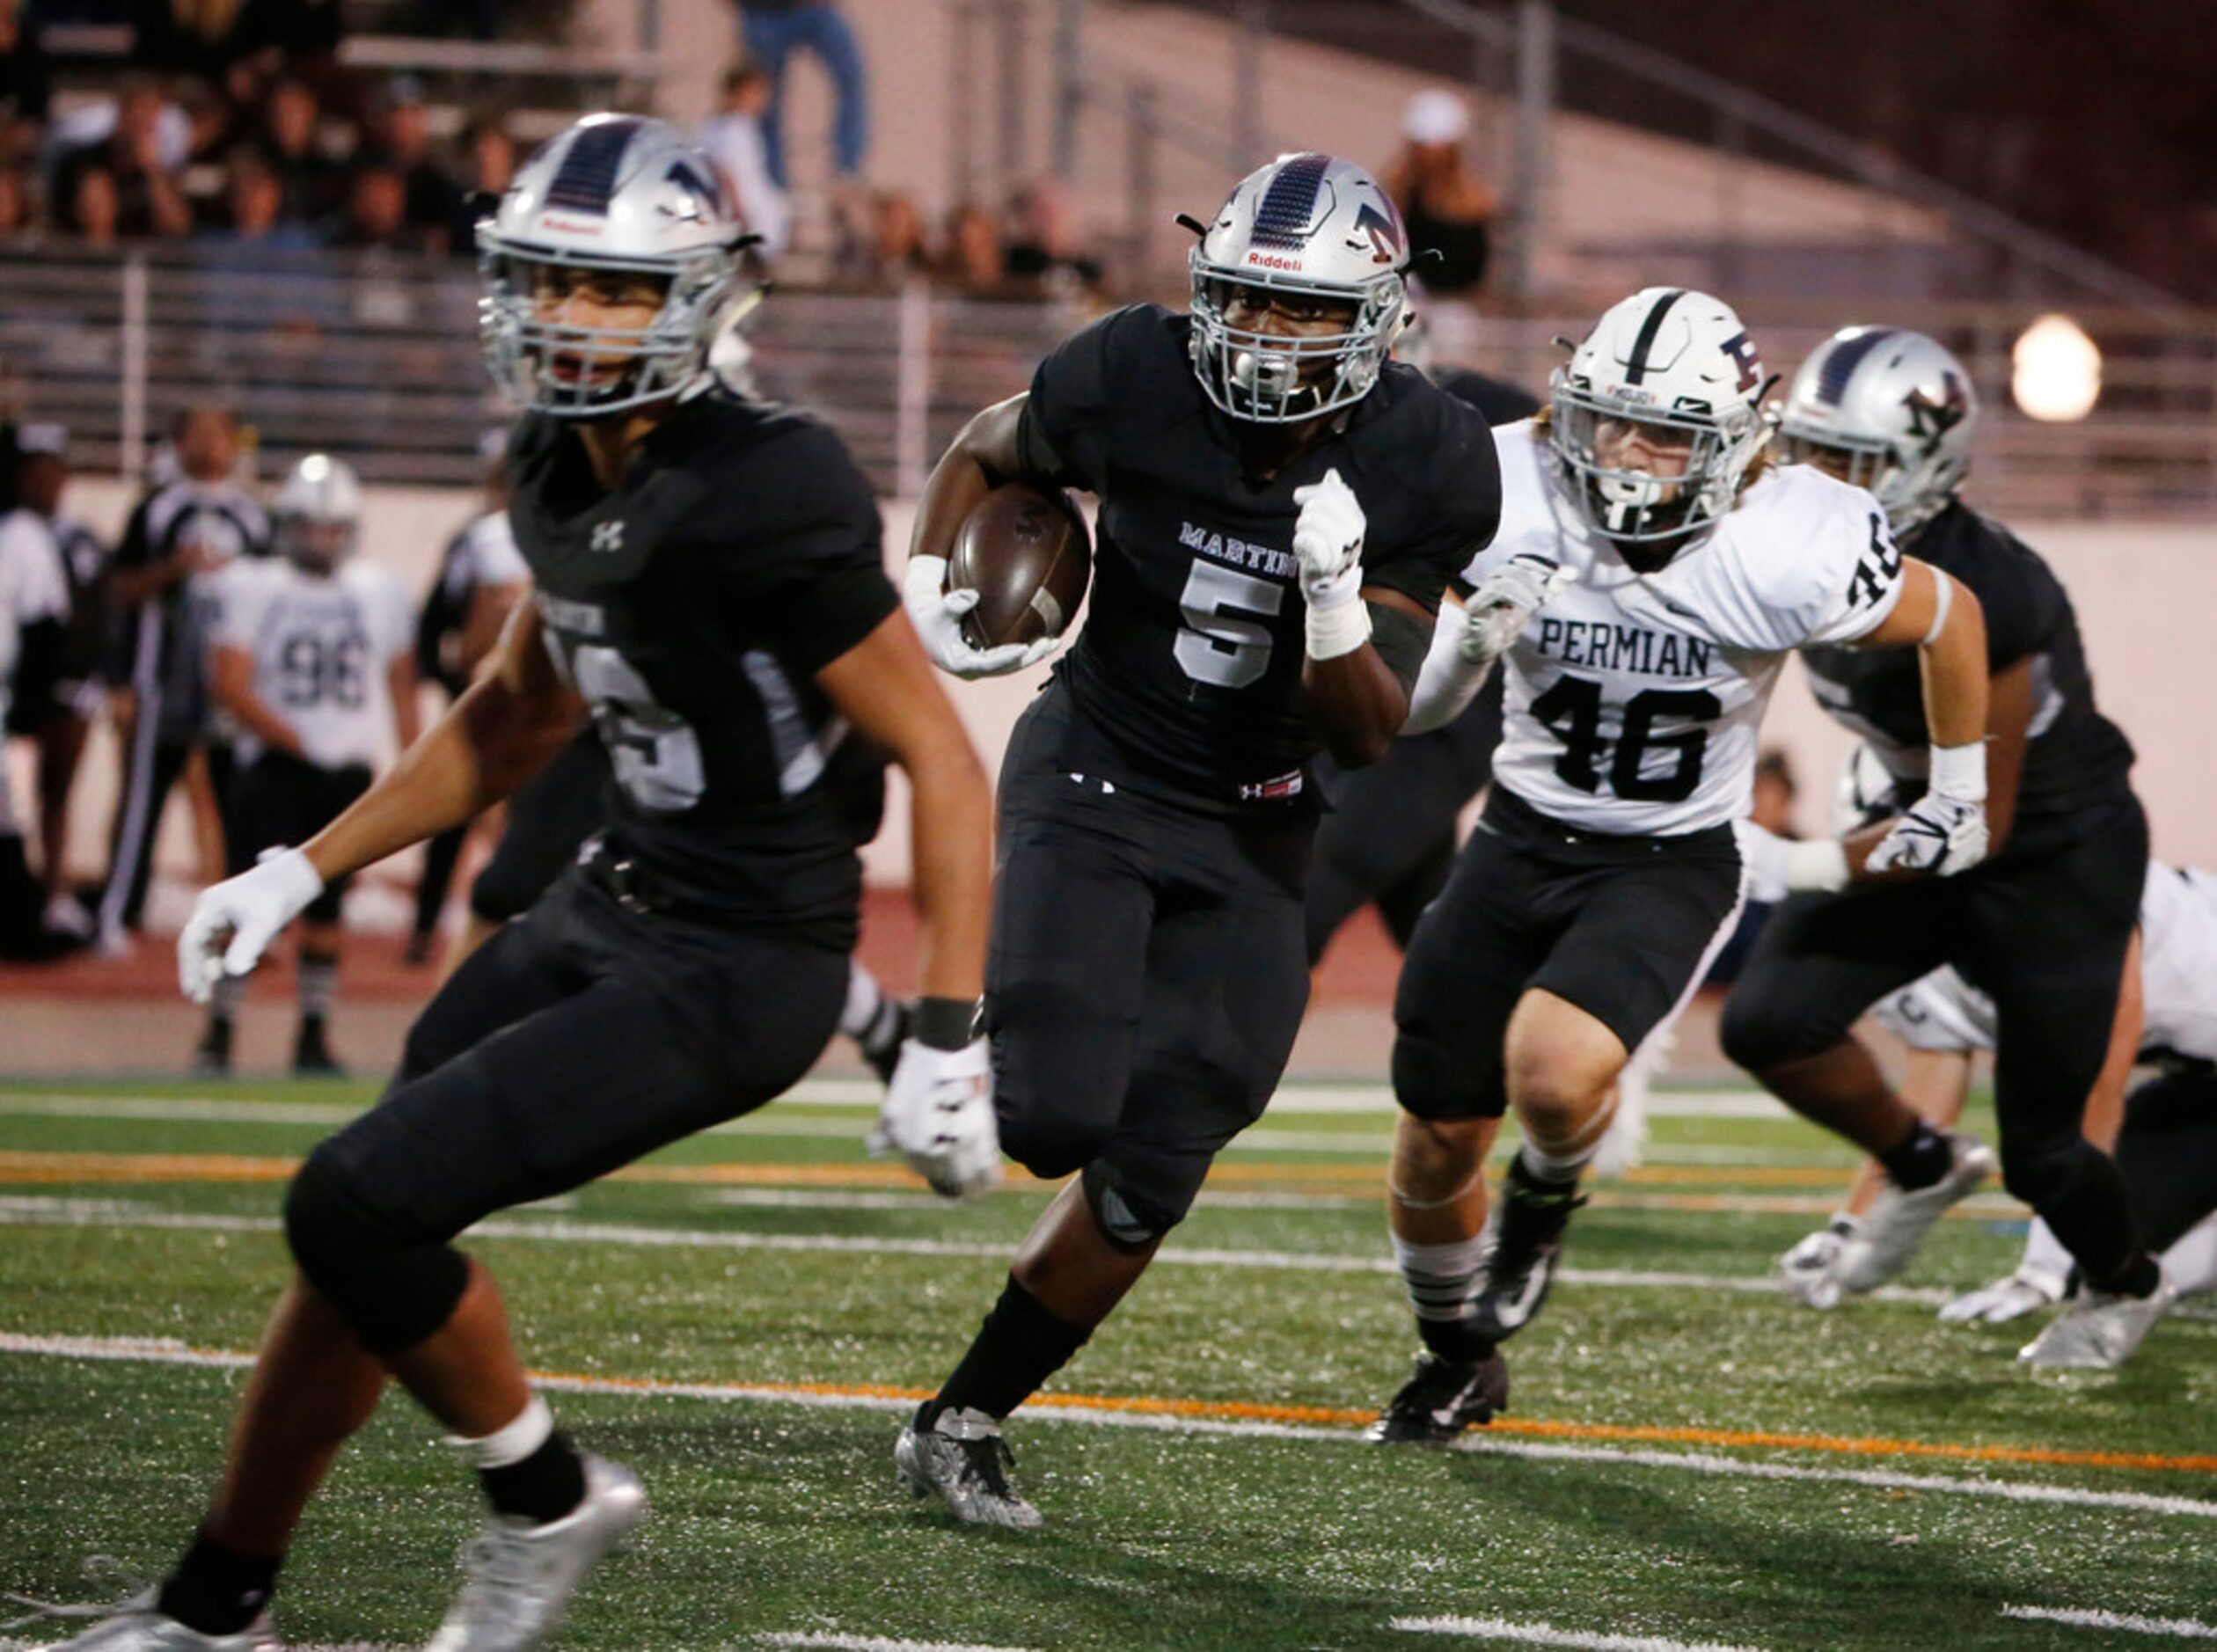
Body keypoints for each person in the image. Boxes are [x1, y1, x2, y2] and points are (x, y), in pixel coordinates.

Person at [38, 113, 997, 1651]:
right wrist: (300, 864)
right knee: (364, 1231)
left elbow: (945, 763)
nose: (569, 317)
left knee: (347, 1201)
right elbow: (515, 712)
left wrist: (945, 1029)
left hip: (743, 960)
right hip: (608, 897)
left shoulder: (772, 478)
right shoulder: (549, 455)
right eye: (548, 280)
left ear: (698, 297)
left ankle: (549, 1497)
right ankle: (218, 1607)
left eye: (612, 291)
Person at [893, 152, 1499, 1527]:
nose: (1265, 341)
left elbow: (1363, 733)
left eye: (1303, 317)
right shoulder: (1134, 370)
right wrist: (932, 578)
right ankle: (929, 1030)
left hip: (1261, 817)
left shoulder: (1430, 455)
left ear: (1382, 319)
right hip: (1100, 767)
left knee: (1161, 1154)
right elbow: (994, 442)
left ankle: (963, 1416)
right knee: (1052, 1119)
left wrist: (1338, 598)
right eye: (1242, 303)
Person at [1368, 289, 1994, 1444]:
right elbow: (1415, 716)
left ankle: (1547, 1191)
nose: (1633, 454)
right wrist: (1467, 639)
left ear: (1740, 443)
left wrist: (1958, 790)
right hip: (1517, 833)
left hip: (1666, 854)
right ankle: (1458, 1354)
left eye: (1670, 433)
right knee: (1431, 1135)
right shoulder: (1508, 485)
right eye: (1613, 421)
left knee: (1554, 1075)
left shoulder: (1792, 534)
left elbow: (1949, 614)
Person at [1724, 326, 2164, 1369]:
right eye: (1811, 451)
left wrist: (1809, 862)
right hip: (1921, 819)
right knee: (1769, 1021)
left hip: (2049, 860)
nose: (1821, 481)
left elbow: (1981, 824)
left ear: (1926, 463)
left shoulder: (1991, 588)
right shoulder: (1793, 534)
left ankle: (2124, 1285)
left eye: (1853, 462)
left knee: (2045, 1155)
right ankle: (1920, 1162)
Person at [1780, 833, 2217, 1342]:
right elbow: (1921, 1114)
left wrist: (2040, 1270)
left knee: (2093, 1256)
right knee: (2101, 1254)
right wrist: (1847, 1229)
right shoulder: (1933, 936)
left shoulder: (2079, 895)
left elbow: (2097, 1086)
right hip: (2198, 1090)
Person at [1303, 319, 1539, 968]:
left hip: (1443, 699)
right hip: (1354, 686)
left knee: (1299, 894)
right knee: (1437, 935)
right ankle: (1508, 1043)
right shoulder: (1298, 422)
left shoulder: (1491, 422)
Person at [195, 454, 419, 1076]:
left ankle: (313, 1034)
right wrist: (298, 741)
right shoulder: (251, 583)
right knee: (241, 904)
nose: (320, 539)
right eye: (308, 526)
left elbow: (401, 685)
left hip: (346, 773)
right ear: (286, 525)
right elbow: (230, 684)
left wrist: (414, 765)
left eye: (331, 527)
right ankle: (219, 1031)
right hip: (274, 766)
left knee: (328, 913)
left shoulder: (381, 589)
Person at [95, 404, 269, 954]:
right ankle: (117, 914)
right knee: (141, 801)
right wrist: (174, 570)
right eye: (198, 436)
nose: (209, 447)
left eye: (219, 435)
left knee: (241, 805)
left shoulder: (252, 517)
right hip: (160, 680)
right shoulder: (156, 510)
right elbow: (119, 588)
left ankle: (247, 923)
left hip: (230, 685)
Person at [407, 428, 525, 964]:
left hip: (536, 699)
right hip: (484, 690)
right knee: (454, 808)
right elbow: (444, 627)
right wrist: (448, 671)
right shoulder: (477, 541)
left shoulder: (556, 533)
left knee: (520, 821)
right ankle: (428, 924)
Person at [5, 424, 109, 944]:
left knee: (49, 795)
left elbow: (85, 613)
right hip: (21, 691)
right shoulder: (19, 531)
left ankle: (47, 895)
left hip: (53, 688)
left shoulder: (70, 538)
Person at [0, 433, 69, 957]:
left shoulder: (22, 535)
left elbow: (44, 627)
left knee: (11, 814)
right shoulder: (21, 535)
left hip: (8, 701)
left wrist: (29, 712)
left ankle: (20, 925)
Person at [735, 0, 867, 190]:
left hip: (814, 9)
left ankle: (847, 171)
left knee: (851, 78)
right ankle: (775, 183)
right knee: (765, 101)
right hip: (762, 13)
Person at [1381, 90, 1497, 299]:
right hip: (1405, 302)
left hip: (1451, 310)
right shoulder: (1398, 194)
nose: (1429, 156)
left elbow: (1473, 271)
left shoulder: (1472, 200)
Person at [699, 62, 787, 259]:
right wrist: (739, 214)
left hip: (755, 216)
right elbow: (724, 173)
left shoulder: (741, 127)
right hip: (747, 218)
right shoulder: (730, 130)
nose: (761, 101)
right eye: (755, 93)